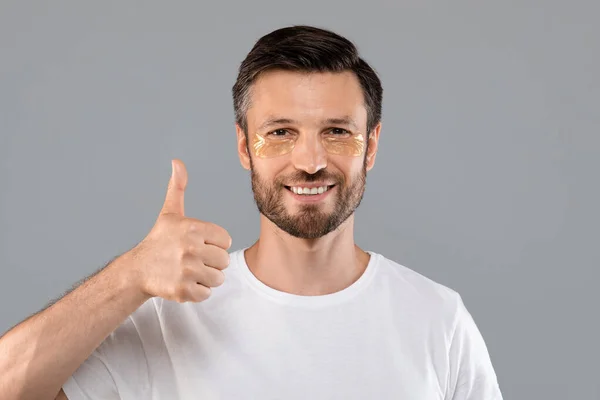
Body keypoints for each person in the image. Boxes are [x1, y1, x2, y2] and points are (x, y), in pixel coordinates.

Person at [0, 25, 503, 400]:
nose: (310, 162)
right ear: (244, 146)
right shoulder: (171, 319)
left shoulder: (438, 319)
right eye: (280, 132)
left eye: (337, 132)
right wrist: (128, 276)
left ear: (370, 146)